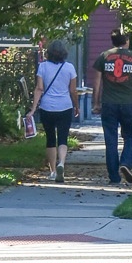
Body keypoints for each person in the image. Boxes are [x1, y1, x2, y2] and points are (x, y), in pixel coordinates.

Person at [93, 26, 132, 190]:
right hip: (128, 103)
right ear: (126, 41)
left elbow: (97, 83)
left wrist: (96, 104)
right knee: (130, 137)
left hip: (109, 103)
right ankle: (125, 162)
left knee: (110, 140)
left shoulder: (103, 57)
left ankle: (114, 176)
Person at [29, 39, 79, 183]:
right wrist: (76, 106)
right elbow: (73, 90)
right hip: (65, 106)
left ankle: (52, 171)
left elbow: (39, 88)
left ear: (49, 53)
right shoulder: (69, 68)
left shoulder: (43, 67)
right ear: (64, 53)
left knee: (50, 139)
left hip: (47, 107)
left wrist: (33, 109)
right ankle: (61, 163)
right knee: (63, 138)